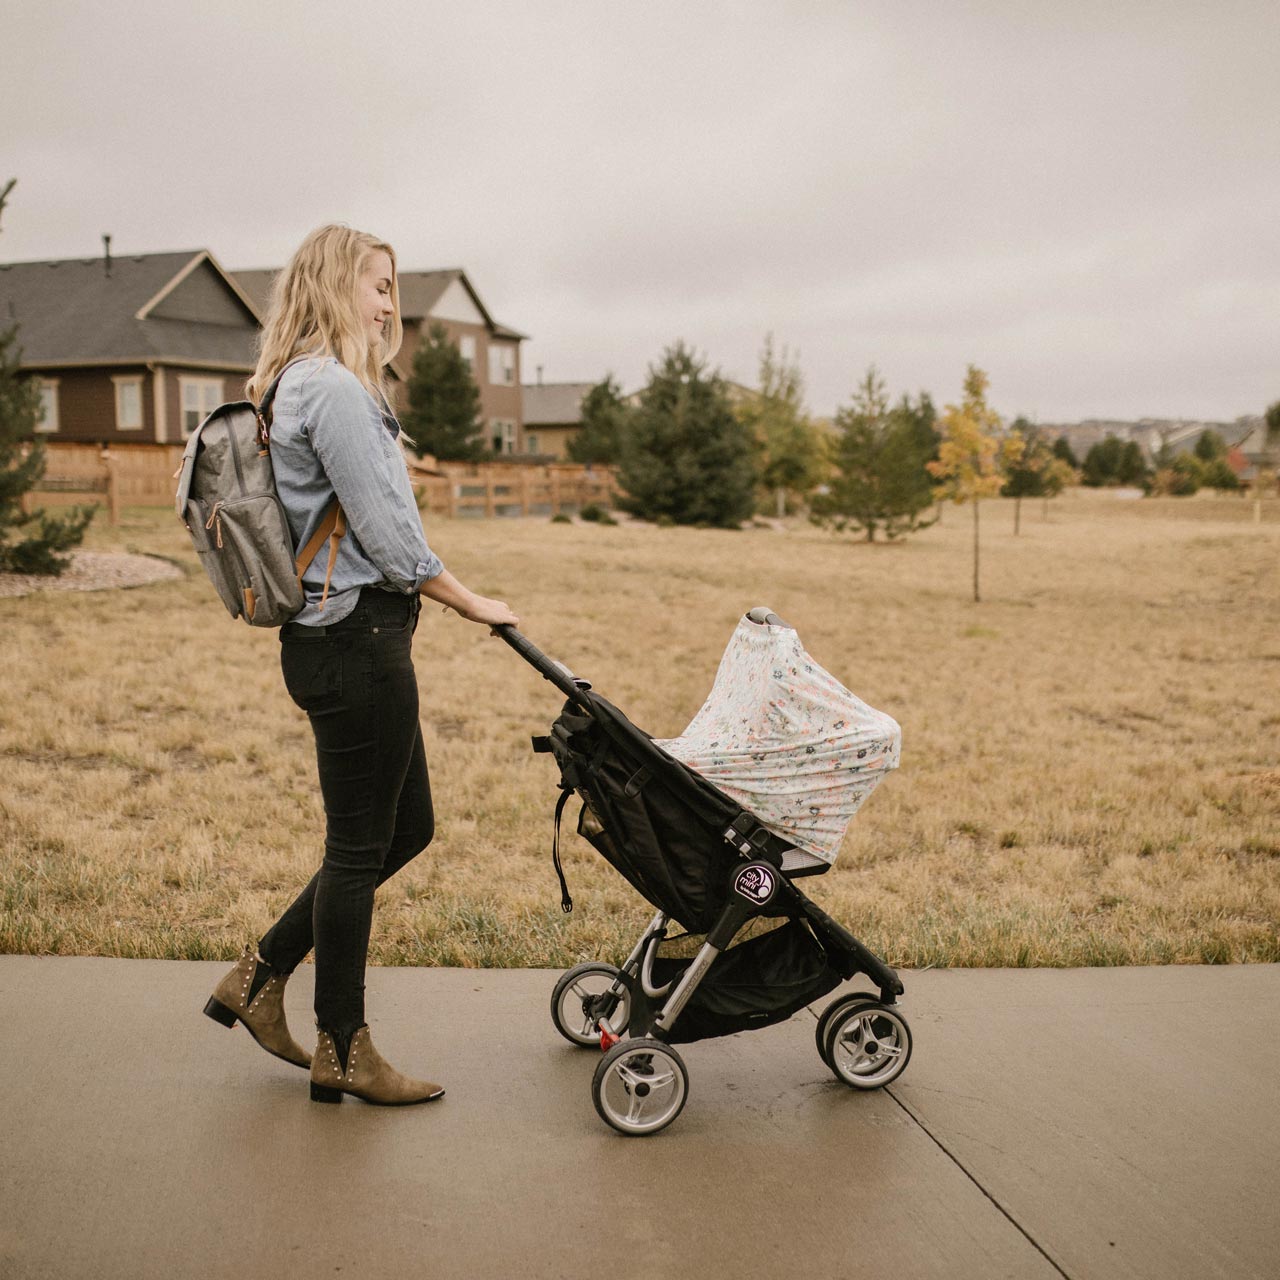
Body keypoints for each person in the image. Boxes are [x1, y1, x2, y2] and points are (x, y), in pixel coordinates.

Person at [203, 224, 518, 1106]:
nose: (391, 307)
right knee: (357, 850)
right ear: (335, 285)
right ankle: (343, 1044)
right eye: (378, 286)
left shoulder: (290, 384)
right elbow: (389, 535)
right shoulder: (333, 391)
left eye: (394, 291)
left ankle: (261, 977)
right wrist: (472, 600)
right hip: (357, 643)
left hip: (338, 643)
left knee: (403, 828)